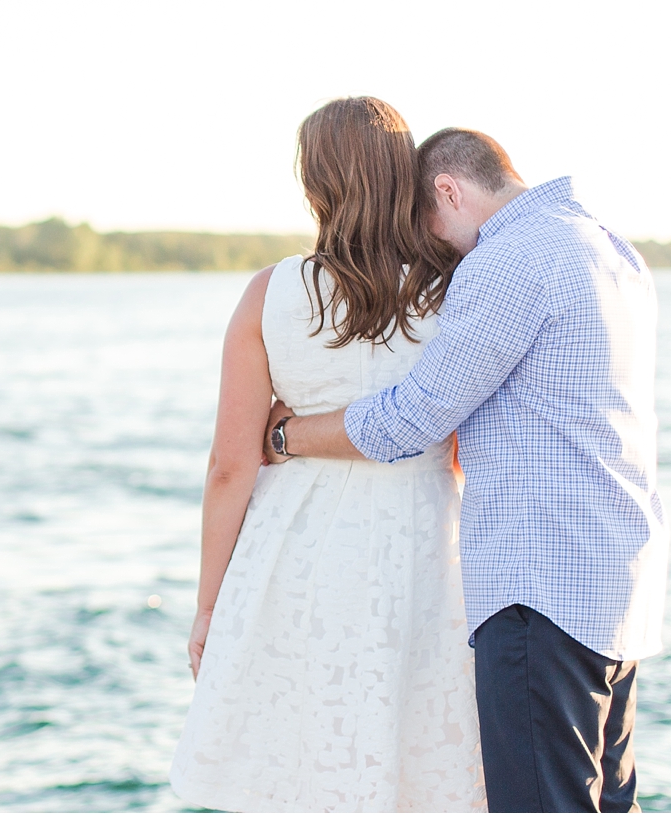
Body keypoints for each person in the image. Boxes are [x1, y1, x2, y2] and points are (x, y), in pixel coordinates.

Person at [265, 127, 668, 813]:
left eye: (436, 232)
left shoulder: (511, 259)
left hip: (540, 583)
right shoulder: (610, 249)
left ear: (448, 191)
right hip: (616, 577)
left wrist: (285, 435)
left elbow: (411, 420)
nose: (446, 254)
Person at [169, 97, 487, 813]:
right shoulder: (454, 289)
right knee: (418, 771)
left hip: (297, 557)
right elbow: (468, 443)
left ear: (315, 183)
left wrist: (208, 606)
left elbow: (229, 466)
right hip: (426, 555)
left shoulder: (270, 294)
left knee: (305, 770)